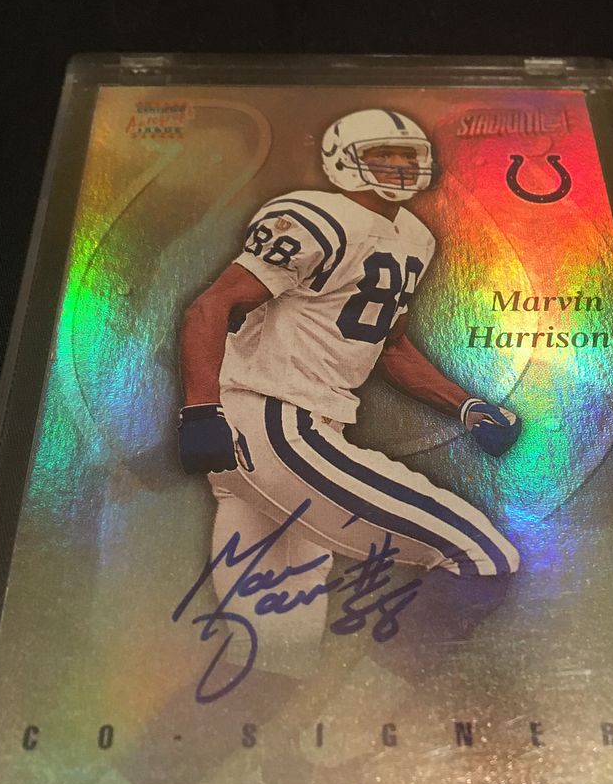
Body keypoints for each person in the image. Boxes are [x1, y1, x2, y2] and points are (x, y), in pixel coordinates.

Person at [178, 108, 520, 684]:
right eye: (384, 155)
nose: (399, 166)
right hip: (276, 424)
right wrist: (199, 411)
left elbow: (390, 346)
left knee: (273, 655)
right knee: (483, 556)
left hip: (287, 435)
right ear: (344, 159)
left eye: (408, 156)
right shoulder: (316, 217)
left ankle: (249, 733)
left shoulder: (414, 237)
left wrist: (465, 405)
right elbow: (210, 307)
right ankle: (367, 718)